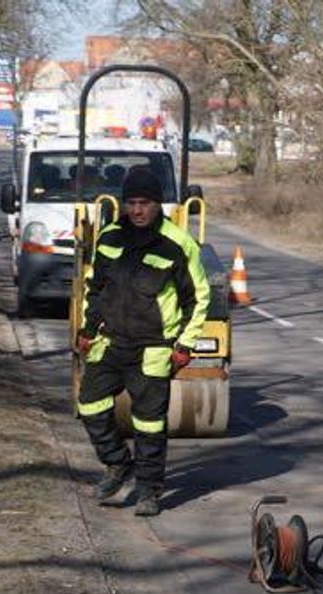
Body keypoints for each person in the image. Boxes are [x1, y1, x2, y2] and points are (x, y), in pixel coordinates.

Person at [75, 166, 211, 516]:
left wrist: (184, 346)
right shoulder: (108, 238)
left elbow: (198, 298)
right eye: (131, 202)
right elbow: (95, 288)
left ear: (158, 205)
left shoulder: (178, 243)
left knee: (149, 423)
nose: (138, 210)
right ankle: (118, 463)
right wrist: (88, 331)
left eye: (145, 203)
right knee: (89, 403)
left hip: (154, 348)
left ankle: (149, 489)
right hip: (110, 340)